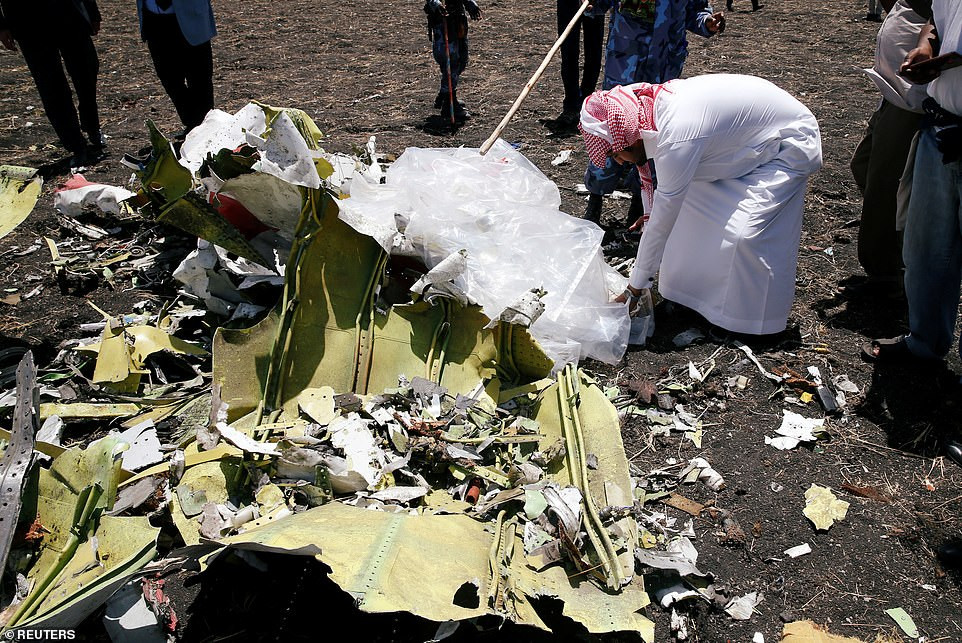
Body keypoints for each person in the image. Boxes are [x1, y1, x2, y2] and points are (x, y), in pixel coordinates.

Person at [579, 75, 822, 335]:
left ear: (630, 138)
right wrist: (651, 219)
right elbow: (663, 208)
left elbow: (662, 219)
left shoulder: (675, 136)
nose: (617, 161)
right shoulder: (645, 115)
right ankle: (688, 300)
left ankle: (748, 325)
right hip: (734, 145)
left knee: (743, 236)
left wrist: (634, 289)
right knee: (687, 219)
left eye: (615, 152)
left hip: (784, 143)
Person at [865, 0, 960, 464]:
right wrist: (926, 47)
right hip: (941, 125)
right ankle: (924, 342)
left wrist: (949, 60)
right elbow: (938, 24)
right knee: (926, 247)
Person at [582, 0, 725, 225]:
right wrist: (591, 5)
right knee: (611, 127)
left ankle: (640, 206)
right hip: (626, 58)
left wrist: (707, 23)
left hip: (664, 64)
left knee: (653, 132)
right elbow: (599, 3)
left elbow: (695, 12)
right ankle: (595, 201)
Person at [850, 0, 927, 293]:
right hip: (896, 92)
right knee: (865, 166)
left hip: (913, 100)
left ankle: (887, 272)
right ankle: (896, 247)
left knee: (884, 181)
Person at [0, 0, 103, 166]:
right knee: (51, 86)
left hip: (69, 12)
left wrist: (92, 10)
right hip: (26, 21)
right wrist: (2, 26)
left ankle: (92, 126)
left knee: (87, 69)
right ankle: (76, 145)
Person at [135, 0, 217, 133]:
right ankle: (193, 122)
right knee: (169, 77)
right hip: (153, 19)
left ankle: (206, 128)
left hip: (191, 17)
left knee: (199, 77)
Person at [424, 0, 482, 123]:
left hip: (457, 22)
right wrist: (436, 4)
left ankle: (446, 95)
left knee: (461, 61)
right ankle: (448, 101)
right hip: (443, 23)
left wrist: (469, 3)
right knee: (450, 61)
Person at [557, 0, 605, 128]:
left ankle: (586, 102)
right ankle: (571, 105)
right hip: (568, 4)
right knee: (568, 51)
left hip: (596, 2)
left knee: (594, 51)